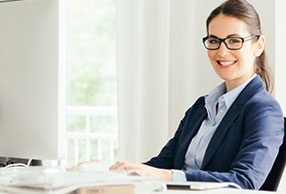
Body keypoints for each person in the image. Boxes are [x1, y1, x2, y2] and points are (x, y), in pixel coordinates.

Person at [109, 0, 285, 190]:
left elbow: (245, 181)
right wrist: (113, 172)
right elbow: (162, 163)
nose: (222, 51)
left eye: (234, 40)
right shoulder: (202, 107)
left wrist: (168, 176)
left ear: (258, 45)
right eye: (214, 41)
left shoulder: (264, 110)